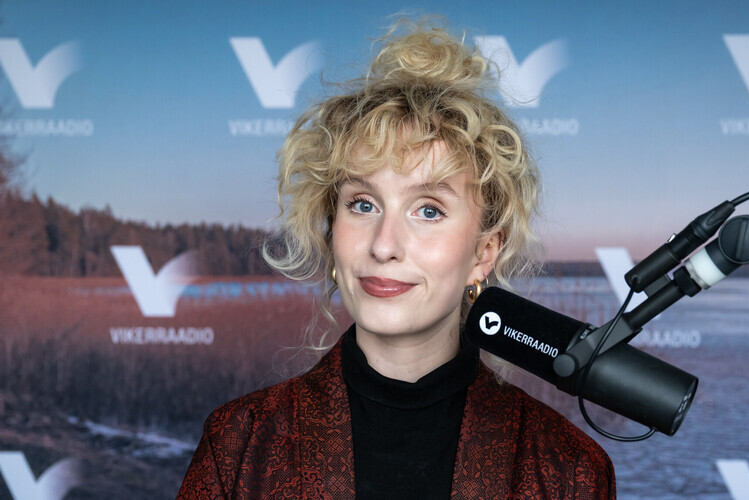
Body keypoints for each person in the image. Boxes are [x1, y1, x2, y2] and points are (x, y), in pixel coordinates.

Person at [178, 19, 615, 499]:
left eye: (428, 210)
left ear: (484, 251)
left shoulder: (569, 470)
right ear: (331, 228)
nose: (383, 245)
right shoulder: (237, 445)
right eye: (363, 204)